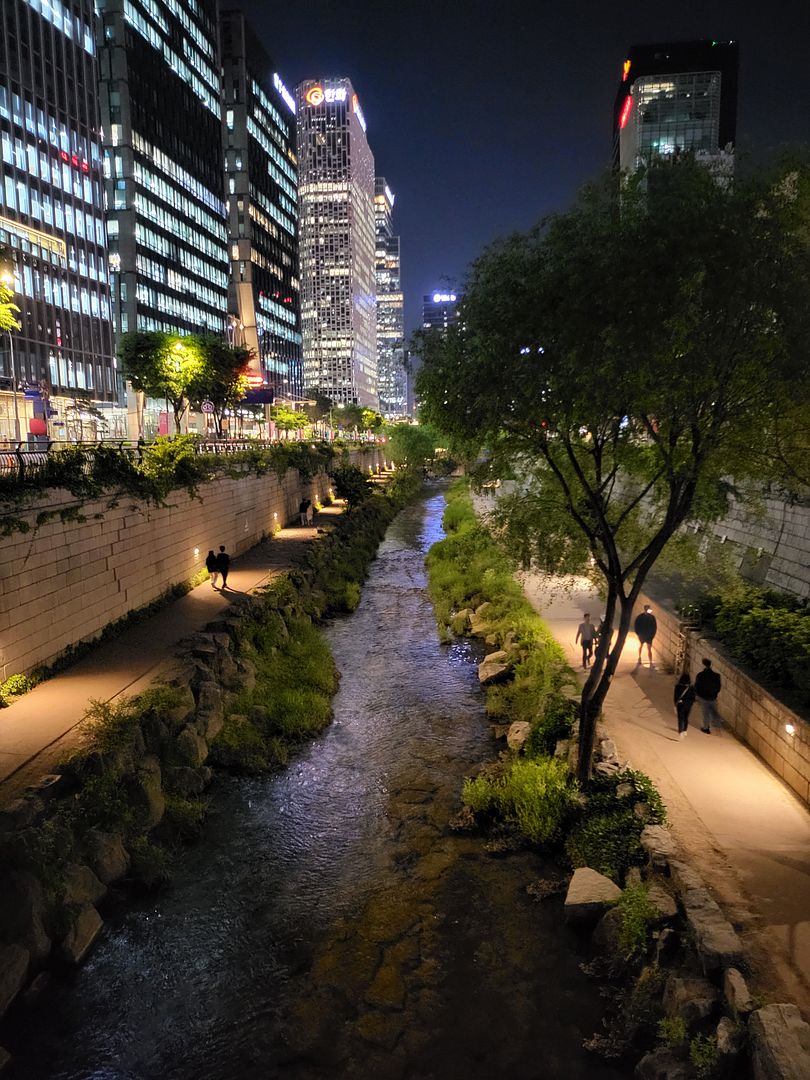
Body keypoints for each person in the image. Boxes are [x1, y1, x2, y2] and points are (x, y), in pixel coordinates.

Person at [694, 657, 722, 734]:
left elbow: (697, 686)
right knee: (714, 711)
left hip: (704, 697)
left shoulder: (700, 675)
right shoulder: (717, 676)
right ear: (711, 665)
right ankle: (717, 727)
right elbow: (718, 687)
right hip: (713, 697)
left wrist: (698, 695)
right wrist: (715, 693)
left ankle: (706, 728)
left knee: (705, 713)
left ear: (703, 665)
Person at [673, 672, 695, 738]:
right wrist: (690, 703)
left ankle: (680, 731)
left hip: (680, 705)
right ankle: (685, 730)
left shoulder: (678, 686)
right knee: (686, 717)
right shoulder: (691, 688)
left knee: (680, 718)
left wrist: (675, 704)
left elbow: (675, 696)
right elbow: (693, 698)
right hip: (688, 705)